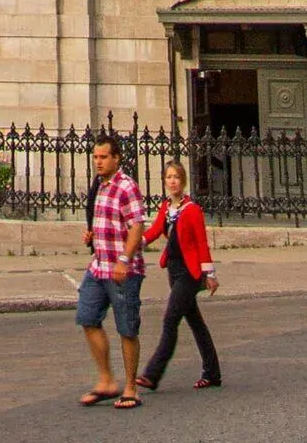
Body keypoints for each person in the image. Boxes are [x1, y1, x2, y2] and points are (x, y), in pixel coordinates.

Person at [135, 161, 220, 394]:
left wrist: (209, 274)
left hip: (189, 273)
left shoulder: (191, 209)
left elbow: (202, 242)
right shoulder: (166, 207)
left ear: (183, 181)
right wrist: (136, 242)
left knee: (170, 319)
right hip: (173, 270)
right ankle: (212, 373)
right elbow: (153, 231)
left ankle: (152, 374)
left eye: (176, 177)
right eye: (168, 177)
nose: (172, 181)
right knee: (196, 323)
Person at [76, 135, 145, 410]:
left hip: (123, 269)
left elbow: (137, 225)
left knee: (127, 328)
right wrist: (91, 236)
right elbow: (103, 220)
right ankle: (106, 380)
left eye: (103, 157)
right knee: (87, 317)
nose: (98, 162)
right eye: (95, 157)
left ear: (116, 158)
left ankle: (131, 388)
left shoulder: (126, 187)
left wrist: (125, 259)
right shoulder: (99, 186)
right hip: (99, 265)